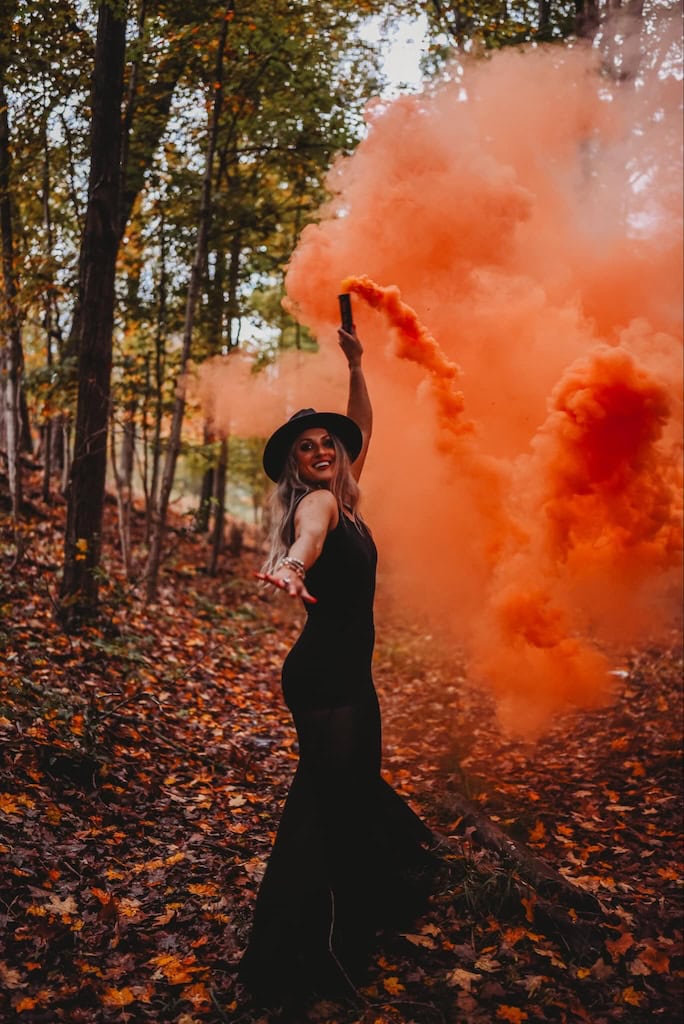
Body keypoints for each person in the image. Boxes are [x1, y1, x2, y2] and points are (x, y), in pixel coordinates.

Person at [237, 323, 439, 1010]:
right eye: (307, 447)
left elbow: (361, 428)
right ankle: (295, 955)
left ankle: (345, 924)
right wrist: (292, 564)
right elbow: (308, 536)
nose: (322, 450)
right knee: (324, 808)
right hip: (324, 680)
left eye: (327, 443)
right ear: (295, 466)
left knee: (348, 795)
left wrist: (356, 365)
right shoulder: (318, 505)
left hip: (350, 678)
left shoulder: (345, 494)